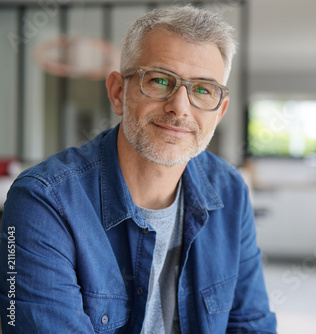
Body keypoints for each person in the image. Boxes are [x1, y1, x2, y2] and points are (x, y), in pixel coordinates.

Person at [0, 6, 277, 333]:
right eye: (160, 80)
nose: (180, 106)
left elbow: (251, 325)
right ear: (118, 93)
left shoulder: (230, 190)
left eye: (203, 89)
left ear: (219, 111)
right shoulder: (42, 201)